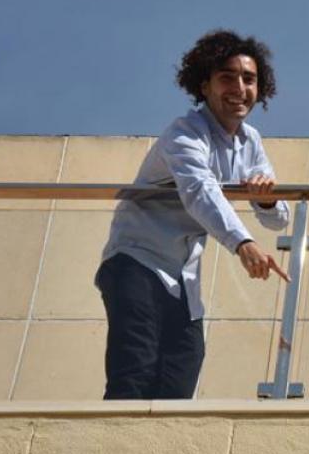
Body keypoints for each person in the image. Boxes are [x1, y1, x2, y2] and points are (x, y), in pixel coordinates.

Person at [96, 30, 289, 399]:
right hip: (135, 261)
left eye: (249, 79)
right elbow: (200, 192)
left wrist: (265, 200)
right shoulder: (185, 133)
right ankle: (114, 452)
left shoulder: (251, 141)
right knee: (134, 370)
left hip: (183, 277)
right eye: (227, 77)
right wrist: (243, 244)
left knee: (182, 369)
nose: (239, 87)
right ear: (205, 86)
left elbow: (278, 219)